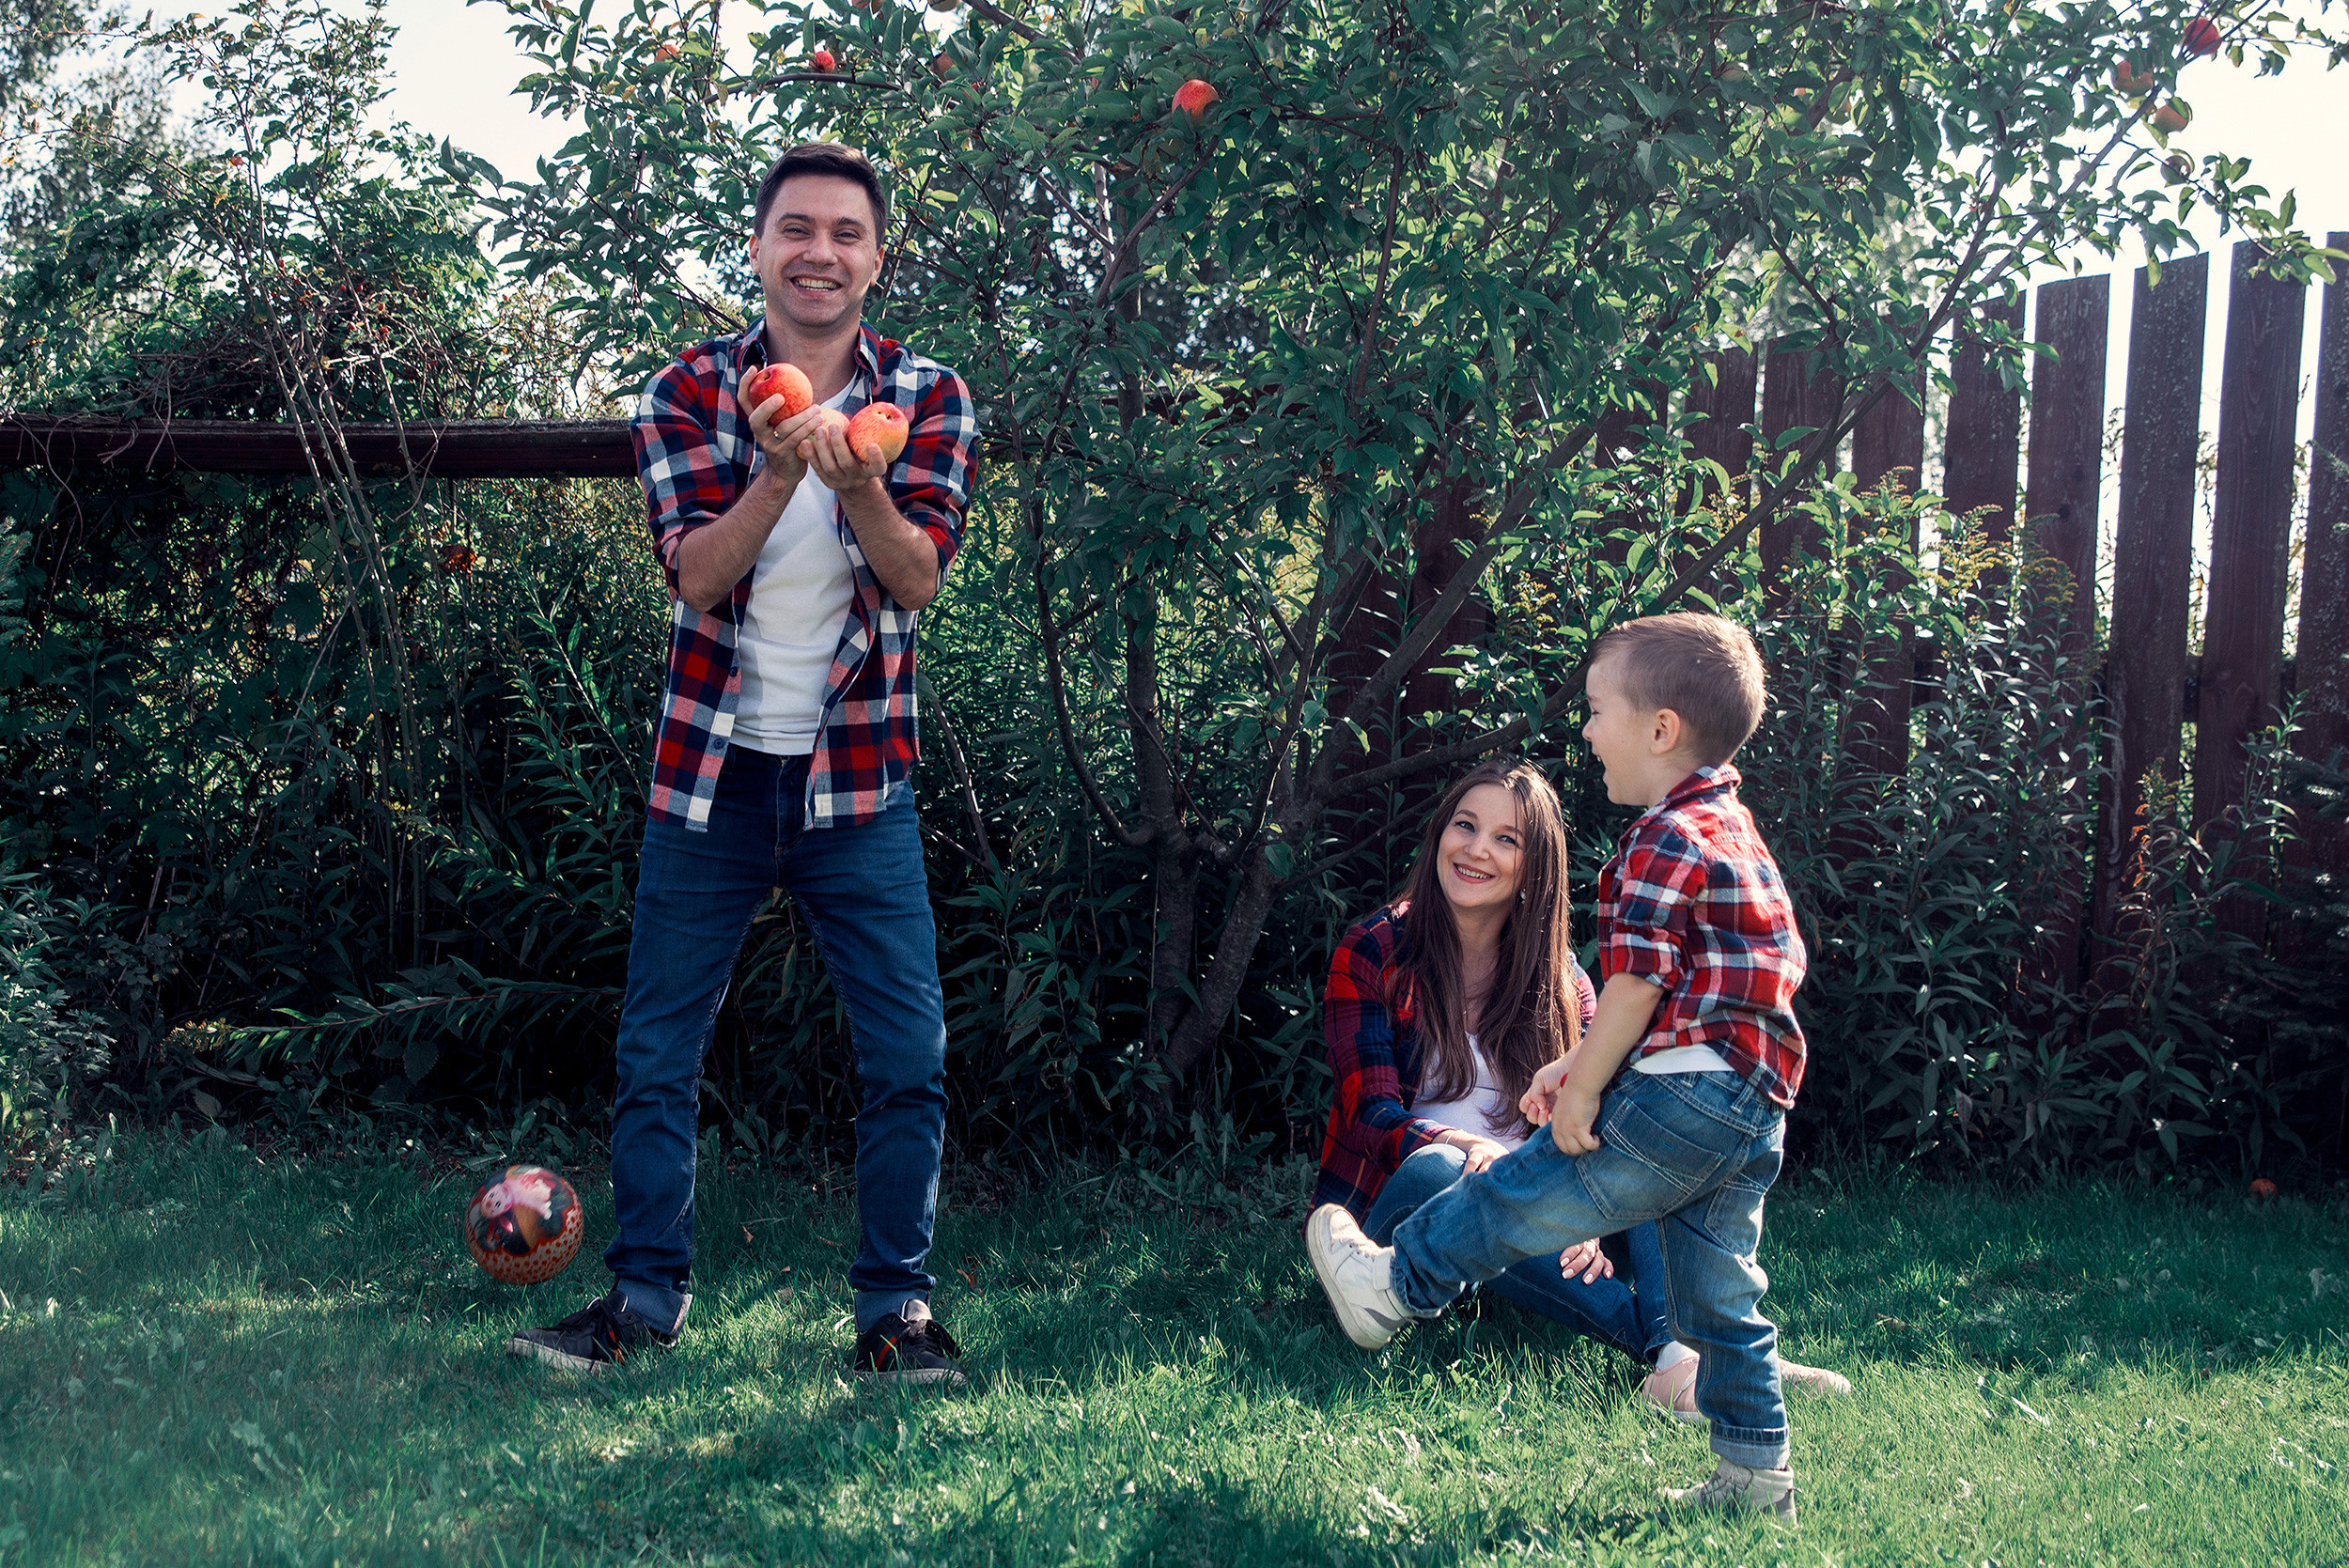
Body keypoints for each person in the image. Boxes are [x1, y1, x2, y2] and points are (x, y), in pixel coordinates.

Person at [507, 143, 977, 1386]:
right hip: (708, 781)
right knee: (658, 1048)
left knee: (908, 1054)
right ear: (759, 248)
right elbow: (698, 574)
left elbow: (918, 577)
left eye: (844, 233)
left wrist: (864, 484)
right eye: (795, 229)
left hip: (857, 784)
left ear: (878, 256)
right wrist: (780, 473)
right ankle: (644, 1300)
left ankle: (897, 1314)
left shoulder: (930, 396)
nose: (819, 251)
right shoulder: (682, 392)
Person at [1306, 612, 1834, 1522]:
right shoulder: (1735, 829)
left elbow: (1636, 984)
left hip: (1683, 1091)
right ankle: (1754, 1475)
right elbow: (1725, 984)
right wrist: (1575, 1065)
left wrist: (1585, 1085)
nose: (1585, 732)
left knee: (1526, 1191)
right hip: (1750, 1099)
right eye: (1464, 828)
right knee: (1719, 1281)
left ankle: (1394, 1287)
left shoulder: (1659, 841)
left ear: (1659, 730)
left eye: (1596, 712)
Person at [1315, 758, 1701, 1394]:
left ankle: (1683, 1355)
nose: (1475, 849)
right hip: (1406, 1220)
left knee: (1649, 1131)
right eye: (1464, 826)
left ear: (1534, 867)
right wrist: (1469, 1147)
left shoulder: (1564, 981)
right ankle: (1702, 1357)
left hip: (1533, 1221)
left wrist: (1587, 1219)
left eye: (1506, 838)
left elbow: (1599, 1115)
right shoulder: (1375, 950)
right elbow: (1371, 1117)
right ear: (1439, 833)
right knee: (1446, 1172)